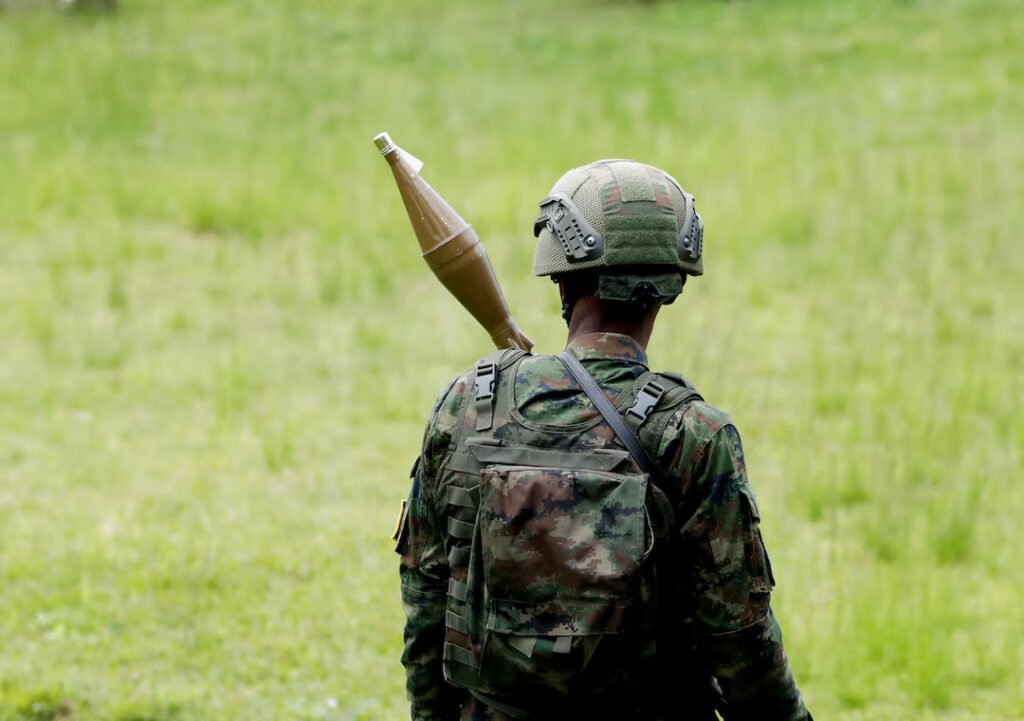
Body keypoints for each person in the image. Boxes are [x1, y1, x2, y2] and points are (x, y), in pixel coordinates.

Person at [396, 159, 812, 721]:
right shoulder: (694, 437)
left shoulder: (467, 407)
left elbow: (427, 607)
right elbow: (743, 647)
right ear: (672, 284)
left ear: (560, 276)